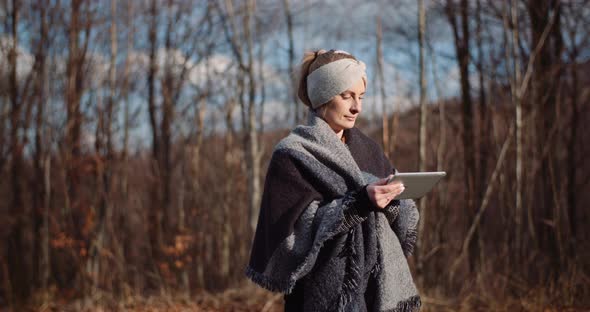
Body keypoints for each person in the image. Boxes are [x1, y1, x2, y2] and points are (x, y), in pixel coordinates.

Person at [246, 49, 421, 312]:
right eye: (346, 96)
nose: (356, 107)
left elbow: (400, 218)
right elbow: (293, 235)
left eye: (360, 97)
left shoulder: (368, 149)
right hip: (315, 298)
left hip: (373, 292)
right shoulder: (292, 154)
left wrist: (393, 202)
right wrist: (359, 202)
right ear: (323, 96)